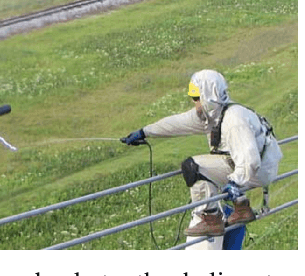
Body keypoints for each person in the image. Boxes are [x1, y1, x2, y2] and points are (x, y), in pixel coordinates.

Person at [121, 70, 283, 237]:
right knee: (211, 164)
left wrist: (234, 183)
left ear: (208, 96)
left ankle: (211, 219)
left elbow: (250, 160)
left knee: (193, 167)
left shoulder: (234, 120)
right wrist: (144, 132)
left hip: (259, 169)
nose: (194, 102)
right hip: (258, 164)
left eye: (196, 98)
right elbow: (177, 123)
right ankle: (241, 208)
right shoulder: (216, 113)